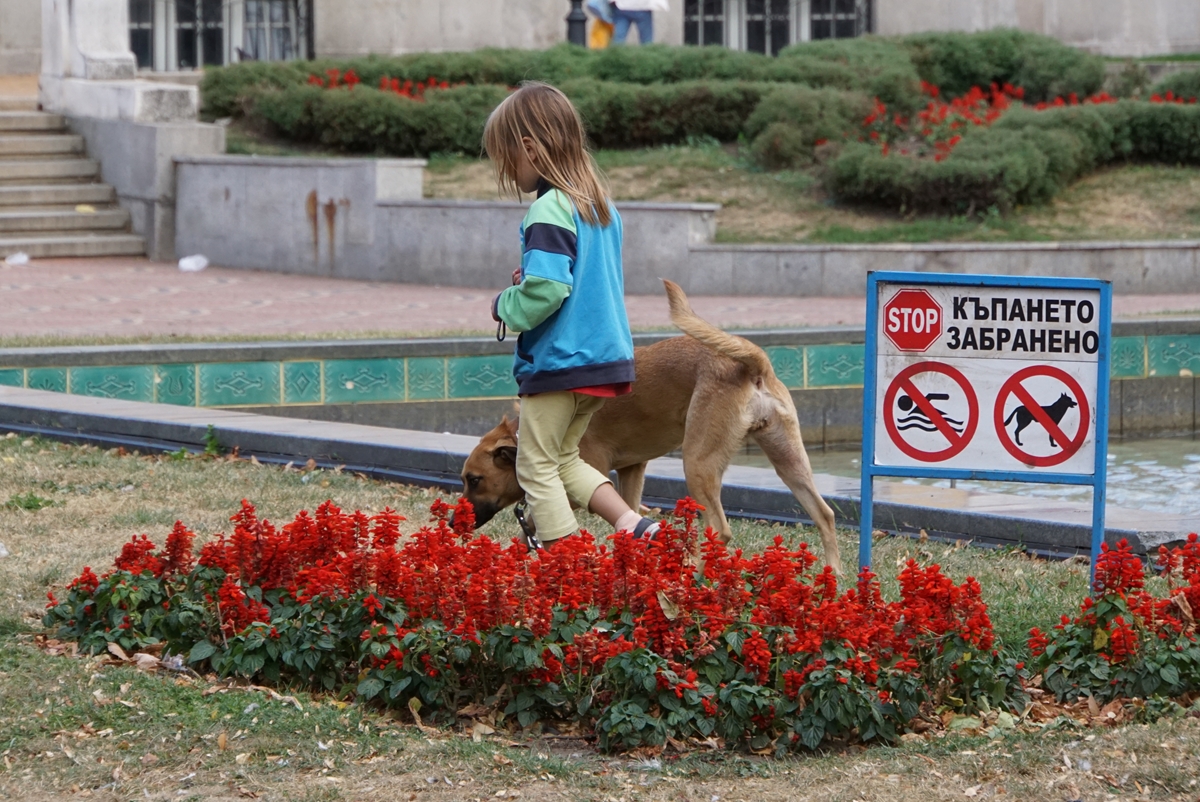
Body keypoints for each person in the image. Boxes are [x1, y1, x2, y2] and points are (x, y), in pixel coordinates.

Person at [483, 82, 659, 550]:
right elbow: (579, 278)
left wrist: (505, 303)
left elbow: (548, 291)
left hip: (560, 362)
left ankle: (567, 566)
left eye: (506, 157)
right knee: (562, 458)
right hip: (604, 358)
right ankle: (635, 526)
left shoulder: (549, 206)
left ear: (529, 147)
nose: (505, 169)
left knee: (534, 466)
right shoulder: (599, 205)